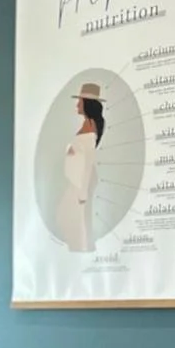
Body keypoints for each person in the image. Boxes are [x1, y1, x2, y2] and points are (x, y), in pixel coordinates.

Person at [56, 81, 105, 253]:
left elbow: (88, 158)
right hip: (77, 180)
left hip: (80, 182)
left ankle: (80, 249)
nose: (77, 104)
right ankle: (79, 247)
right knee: (69, 217)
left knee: (71, 217)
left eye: (80, 101)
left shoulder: (90, 127)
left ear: (87, 103)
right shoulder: (88, 125)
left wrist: (82, 191)